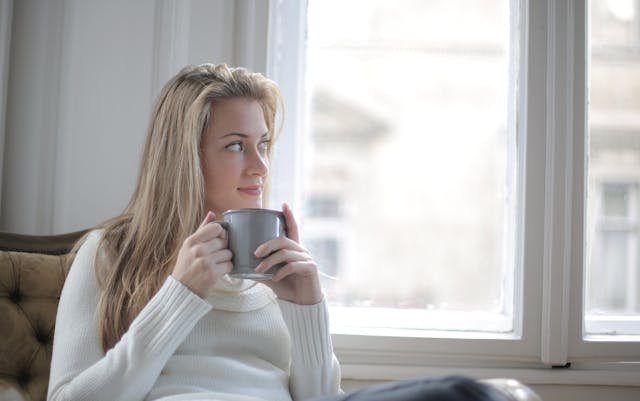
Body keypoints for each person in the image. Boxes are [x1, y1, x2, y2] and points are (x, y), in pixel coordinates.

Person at [47, 63, 515, 401]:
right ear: (184, 158)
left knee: (464, 395)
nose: (260, 166)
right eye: (236, 146)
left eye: (263, 144)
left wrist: (306, 308)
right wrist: (179, 294)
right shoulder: (111, 253)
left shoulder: (273, 263)